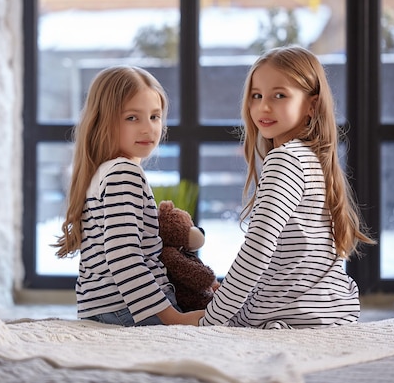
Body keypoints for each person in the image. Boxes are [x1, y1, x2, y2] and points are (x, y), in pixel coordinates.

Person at [200, 46, 375, 329]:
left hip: (289, 313)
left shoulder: (285, 159)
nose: (263, 107)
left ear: (311, 106)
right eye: (257, 96)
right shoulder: (311, 157)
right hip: (329, 308)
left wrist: (211, 319)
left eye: (279, 95)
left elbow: (258, 248)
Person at [54, 65, 204, 327]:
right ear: (104, 121)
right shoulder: (124, 173)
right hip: (130, 309)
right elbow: (124, 257)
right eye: (132, 118)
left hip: (103, 308)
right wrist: (173, 318)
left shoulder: (102, 172)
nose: (148, 129)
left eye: (155, 117)